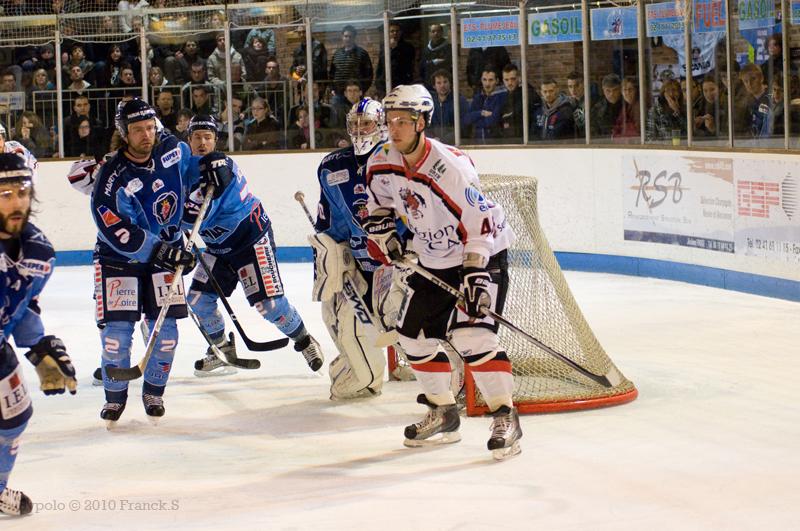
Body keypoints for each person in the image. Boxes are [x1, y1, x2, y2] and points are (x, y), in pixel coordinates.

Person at [364, 84, 522, 460]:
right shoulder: (381, 160)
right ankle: (444, 413)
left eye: (404, 121)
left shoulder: (449, 166)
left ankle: (506, 417)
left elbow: (480, 222)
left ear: (422, 123)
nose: (395, 128)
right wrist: (385, 233)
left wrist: (475, 276)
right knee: (412, 338)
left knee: (472, 337)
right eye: (390, 120)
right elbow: (378, 204)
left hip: (481, 252)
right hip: (433, 257)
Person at [88, 98, 210, 426]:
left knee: (167, 333)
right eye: (137, 130)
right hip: (119, 259)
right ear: (124, 134)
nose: (146, 135)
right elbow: (113, 226)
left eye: (149, 128)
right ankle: (115, 398)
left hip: (166, 252)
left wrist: (215, 166)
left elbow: (195, 171)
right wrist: (160, 251)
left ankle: (154, 392)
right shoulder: (111, 175)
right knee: (116, 335)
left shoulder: (172, 150)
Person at [183, 116, 324, 377]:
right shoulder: (183, 172)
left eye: (208, 137)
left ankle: (305, 341)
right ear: (188, 140)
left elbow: (197, 215)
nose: (202, 142)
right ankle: (221, 349)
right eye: (197, 137)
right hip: (217, 249)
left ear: (216, 140)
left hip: (250, 241)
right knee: (198, 300)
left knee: (269, 306)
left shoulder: (223, 166)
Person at [311, 97, 407, 399]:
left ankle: (447, 367)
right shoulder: (333, 167)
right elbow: (331, 223)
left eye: (366, 123)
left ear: (380, 125)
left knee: (405, 321)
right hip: (360, 263)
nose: (359, 130)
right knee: (332, 314)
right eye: (354, 124)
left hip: (398, 262)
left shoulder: (398, 159)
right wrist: (331, 256)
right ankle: (361, 372)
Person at [0, 153, 78, 516]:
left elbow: (22, 304)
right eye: (5, 195)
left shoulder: (39, 251)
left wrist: (39, 346)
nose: (17, 203)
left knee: (15, 417)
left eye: (22, 192)